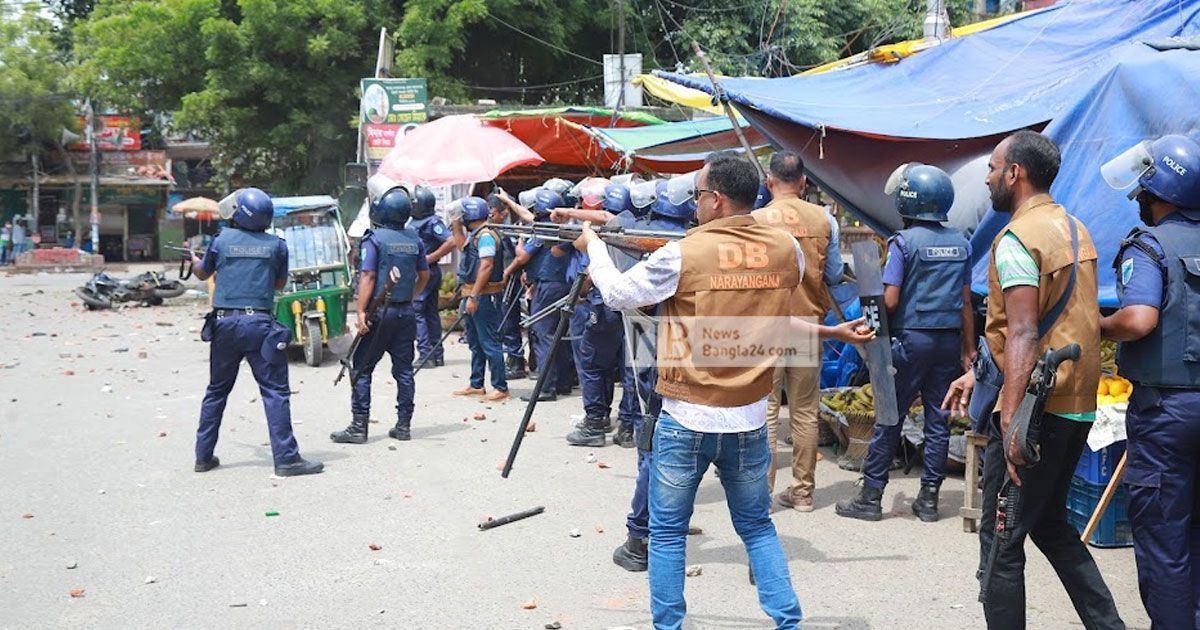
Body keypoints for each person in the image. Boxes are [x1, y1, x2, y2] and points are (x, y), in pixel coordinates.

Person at [578, 152, 872, 628]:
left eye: (697, 195)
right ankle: (788, 622)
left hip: (686, 416)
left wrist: (593, 247)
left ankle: (669, 625)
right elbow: (767, 314)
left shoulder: (682, 253)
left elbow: (615, 294)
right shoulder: (785, 250)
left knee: (669, 535)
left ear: (715, 199)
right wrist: (832, 332)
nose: (694, 205)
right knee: (757, 527)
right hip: (751, 419)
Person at [943, 130, 1123, 629]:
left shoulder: (1018, 239)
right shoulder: (1074, 228)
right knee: (1048, 525)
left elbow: (1023, 330)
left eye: (993, 168)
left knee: (1001, 541)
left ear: (1014, 174)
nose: (987, 177)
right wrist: (980, 376)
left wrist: (1011, 425)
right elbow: (1051, 321)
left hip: (1035, 413)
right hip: (1077, 400)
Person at [1098, 133, 1200, 628]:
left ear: (1155, 191)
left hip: (1167, 415)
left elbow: (1138, 320)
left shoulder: (1149, 246)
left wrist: (1097, 324)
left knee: (1165, 543)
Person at [836, 163, 974, 523]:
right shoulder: (961, 242)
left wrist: (869, 322)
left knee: (889, 417)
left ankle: (870, 497)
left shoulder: (903, 243)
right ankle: (928, 501)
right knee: (938, 420)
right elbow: (966, 304)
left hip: (911, 341)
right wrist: (969, 349)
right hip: (948, 343)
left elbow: (891, 300)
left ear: (907, 200)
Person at [188, 188, 323, 477]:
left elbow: (203, 272)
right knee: (275, 392)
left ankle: (203, 456)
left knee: (216, 391)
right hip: (260, 326)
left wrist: (195, 259)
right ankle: (286, 459)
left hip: (224, 324)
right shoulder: (277, 245)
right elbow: (278, 284)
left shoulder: (221, 240)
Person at [751, 150, 845, 512]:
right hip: (808, 322)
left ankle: (763, 493)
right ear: (804, 182)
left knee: (768, 409)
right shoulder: (824, 220)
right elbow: (834, 275)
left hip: (765, 323)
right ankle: (804, 493)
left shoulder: (755, 220)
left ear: (769, 181)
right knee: (805, 409)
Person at [610, 180, 696, 573]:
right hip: (710, 360)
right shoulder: (706, 241)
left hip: (658, 354)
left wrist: (595, 248)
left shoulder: (664, 245)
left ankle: (640, 537)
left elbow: (622, 294)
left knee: (653, 447)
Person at [330, 185, 430, 444]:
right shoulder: (414, 238)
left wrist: (361, 311)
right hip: (405, 313)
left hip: (380, 313)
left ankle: (359, 427)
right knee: (404, 371)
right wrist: (410, 296)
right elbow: (425, 276)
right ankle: (404, 426)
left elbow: (368, 275)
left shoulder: (373, 239)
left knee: (361, 368)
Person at [503, 189, 573, 402]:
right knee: (556, 335)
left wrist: (521, 239)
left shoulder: (545, 230)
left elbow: (523, 256)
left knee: (543, 336)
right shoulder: (557, 227)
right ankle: (562, 382)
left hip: (547, 287)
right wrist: (508, 200)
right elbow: (527, 216)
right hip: (558, 285)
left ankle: (546, 387)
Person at [452, 197, 509, 402]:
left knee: (489, 342)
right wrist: (456, 226)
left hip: (484, 296)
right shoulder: (477, 234)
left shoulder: (485, 236)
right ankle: (477, 384)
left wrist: (474, 295)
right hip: (473, 294)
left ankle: (500, 386)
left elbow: (486, 266)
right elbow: (462, 247)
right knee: (476, 343)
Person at [409, 185, 454, 369]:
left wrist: (429, 258)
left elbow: (450, 241)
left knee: (418, 311)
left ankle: (426, 354)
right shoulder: (416, 221)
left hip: (426, 272)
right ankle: (436, 354)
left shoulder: (432, 222)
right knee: (429, 313)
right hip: (425, 272)